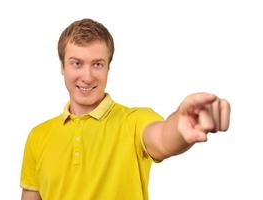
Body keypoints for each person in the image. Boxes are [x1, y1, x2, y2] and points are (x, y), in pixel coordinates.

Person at [20, 18, 231, 200]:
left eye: (97, 64)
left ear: (108, 67)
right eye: (76, 63)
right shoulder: (38, 136)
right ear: (62, 67)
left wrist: (181, 127)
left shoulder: (133, 121)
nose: (87, 76)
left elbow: (162, 138)